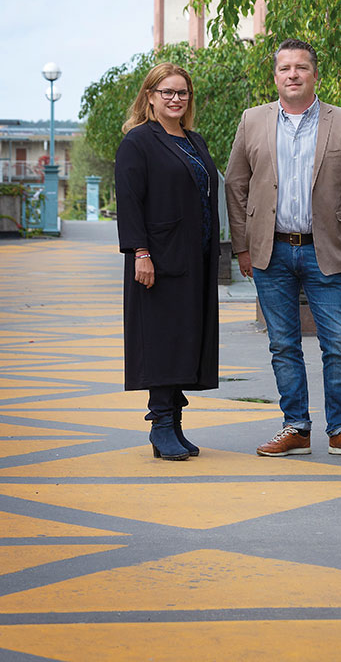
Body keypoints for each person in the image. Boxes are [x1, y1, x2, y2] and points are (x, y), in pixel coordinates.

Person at [225, 38, 341, 456]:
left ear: (314, 74)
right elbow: (236, 186)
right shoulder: (252, 120)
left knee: (339, 343)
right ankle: (296, 427)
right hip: (270, 252)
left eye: (301, 68)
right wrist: (242, 246)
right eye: (285, 68)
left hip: (328, 251)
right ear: (275, 76)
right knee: (283, 344)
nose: (293, 75)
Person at [115, 62, 219, 461]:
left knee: (185, 338)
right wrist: (139, 252)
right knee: (162, 338)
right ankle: (160, 425)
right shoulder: (138, 142)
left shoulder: (194, 140)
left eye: (182, 93)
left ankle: (174, 422)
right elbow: (129, 202)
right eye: (167, 92)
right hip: (157, 260)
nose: (176, 99)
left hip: (195, 258)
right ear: (150, 97)